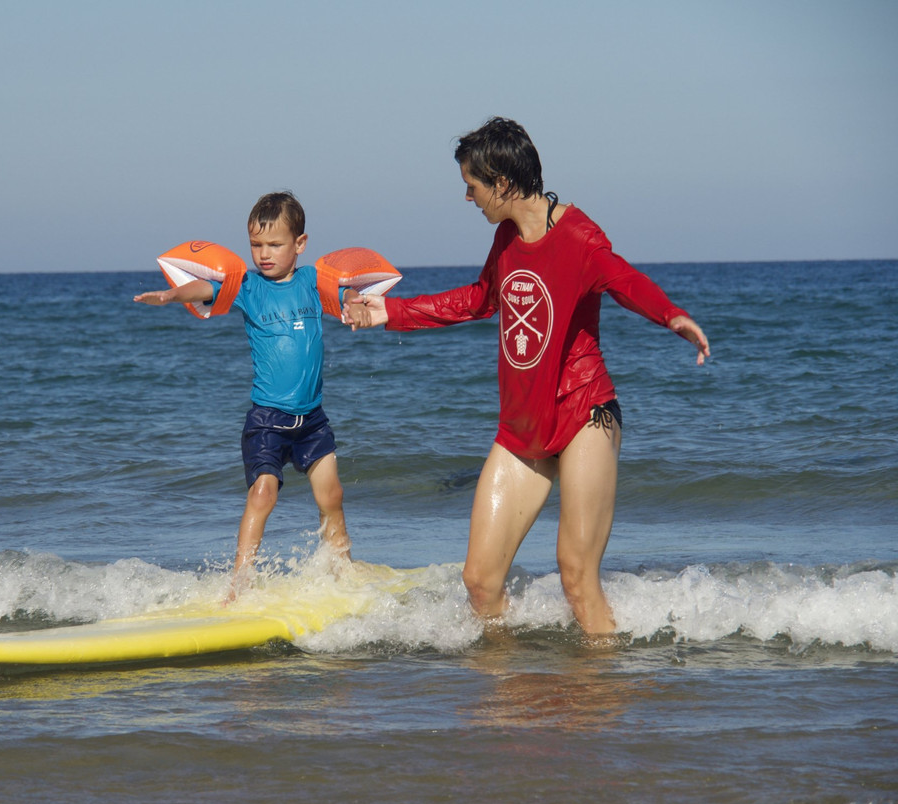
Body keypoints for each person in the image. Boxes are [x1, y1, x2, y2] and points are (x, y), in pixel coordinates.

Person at [346, 117, 709, 636]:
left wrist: (672, 316)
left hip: (585, 412)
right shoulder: (507, 237)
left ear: (502, 183)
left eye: (472, 185)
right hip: (523, 427)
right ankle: (513, 695)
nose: (467, 197)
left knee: (576, 576)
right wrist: (389, 313)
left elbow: (625, 281)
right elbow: (479, 298)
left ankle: (601, 696)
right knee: (480, 581)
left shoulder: (581, 237)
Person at [135, 191, 355, 593]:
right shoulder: (248, 287)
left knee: (332, 494)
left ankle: (343, 571)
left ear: (300, 244)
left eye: (275, 244)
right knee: (263, 492)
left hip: (313, 419)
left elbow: (345, 293)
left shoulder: (311, 282)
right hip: (267, 419)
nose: (264, 254)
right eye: (256, 245)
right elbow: (204, 289)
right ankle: (241, 579)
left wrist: (356, 303)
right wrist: (171, 295)